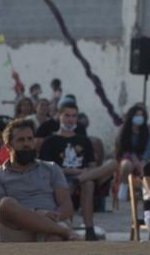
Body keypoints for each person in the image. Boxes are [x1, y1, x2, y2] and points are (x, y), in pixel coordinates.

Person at [0, 119, 81, 241]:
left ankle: (58, 231)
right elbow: (1, 207)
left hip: (52, 222)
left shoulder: (51, 168)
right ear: (8, 146)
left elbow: (67, 205)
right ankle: (64, 231)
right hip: (17, 227)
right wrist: (39, 214)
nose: (27, 144)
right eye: (21, 140)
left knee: (54, 238)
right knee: (6, 203)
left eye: (30, 139)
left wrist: (52, 217)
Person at [39, 100, 117, 240]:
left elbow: (92, 165)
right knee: (88, 183)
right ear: (59, 116)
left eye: (74, 116)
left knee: (112, 163)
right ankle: (87, 228)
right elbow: (48, 169)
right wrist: (76, 172)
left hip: (83, 176)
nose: (70, 119)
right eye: (67, 115)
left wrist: (84, 173)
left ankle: (89, 227)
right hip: (61, 178)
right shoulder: (50, 141)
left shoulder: (84, 140)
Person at [115, 103, 150, 187]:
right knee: (126, 165)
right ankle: (124, 186)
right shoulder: (124, 129)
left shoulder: (148, 129)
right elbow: (122, 147)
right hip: (127, 156)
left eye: (141, 115)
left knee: (147, 167)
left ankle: (145, 190)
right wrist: (134, 158)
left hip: (143, 157)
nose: (139, 117)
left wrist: (143, 159)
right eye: (137, 115)